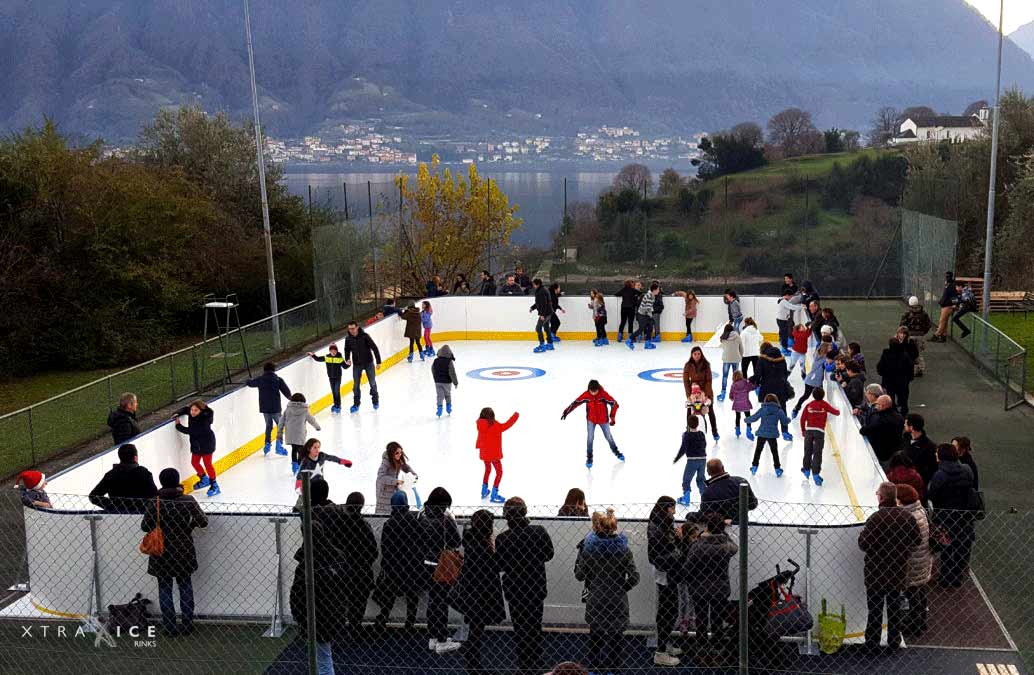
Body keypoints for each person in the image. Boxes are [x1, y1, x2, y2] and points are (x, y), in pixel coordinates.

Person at [142, 467, 209, 636]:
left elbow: (144, 526)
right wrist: (187, 527)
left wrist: (158, 526)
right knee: (185, 585)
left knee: (164, 588)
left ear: (161, 482)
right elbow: (203, 521)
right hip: (183, 549)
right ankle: (187, 624)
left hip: (161, 551)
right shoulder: (187, 500)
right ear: (178, 480)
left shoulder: (155, 502)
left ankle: (170, 627)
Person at [857, 481, 920, 654]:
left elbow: (863, 544)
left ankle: (872, 644)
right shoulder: (907, 518)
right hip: (897, 571)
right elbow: (917, 540)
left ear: (881, 497)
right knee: (894, 608)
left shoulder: (876, 519)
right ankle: (894, 641)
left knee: (875, 610)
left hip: (876, 572)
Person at [574, 509, 639, 673]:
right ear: (615, 528)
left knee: (595, 636)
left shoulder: (589, 549)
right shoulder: (624, 550)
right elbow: (634, 576)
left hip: (596, 597)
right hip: (617, 598)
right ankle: (614, 668)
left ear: (598, 527)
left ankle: (595, 668)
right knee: (616, 638)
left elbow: (580, 575)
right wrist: (622, 587)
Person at [496, 497, 555, 674]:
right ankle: (536, 662)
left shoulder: (502, 538)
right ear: (525, 511)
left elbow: (500, 565)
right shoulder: (539, 532)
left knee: (520, 627)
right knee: (535, 625)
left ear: (506, 515)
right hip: (535, 585)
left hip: (515, 589)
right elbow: (549, 554)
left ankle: (524, 665)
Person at [451, 509, 505, 674]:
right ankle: (473, 663)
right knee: (476, 629)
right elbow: (495, 565)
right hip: (482, 592)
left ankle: (472, 662)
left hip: (473, 590)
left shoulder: (472, 540)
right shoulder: (483, 545)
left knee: (475, 627)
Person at [290, 515, 343, 675]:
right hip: (331, 615)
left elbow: (297, 595)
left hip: (315, 618)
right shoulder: (335, 559)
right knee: (323, 656)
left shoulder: (306, 565)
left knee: (323, 659)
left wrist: (299, 616)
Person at [373, 490, 427, 632]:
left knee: (388, 598)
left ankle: (382, 620)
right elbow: (422, 542)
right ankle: (410, 624)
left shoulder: (389, 524)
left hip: (394, 568)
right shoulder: (415, 520)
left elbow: (385, 548)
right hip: (413, 567)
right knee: (412, 596)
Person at [324, 492, 378, 633]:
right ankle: (355, 627)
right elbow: (373, 551)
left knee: (341, 599)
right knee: (358, 602)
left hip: (340, 571)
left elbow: (331, 545)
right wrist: (364, 562)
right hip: (360, 572)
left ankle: (339, 627)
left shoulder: (336, 524)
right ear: (361, 507)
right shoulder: (364, 526)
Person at [928, 443, 977, 588]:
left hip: (946, 518)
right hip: (964, 517)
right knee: (962, 548)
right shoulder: (966, 470)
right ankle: (957, 577)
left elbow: (932, 495)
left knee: (947, 548)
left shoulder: (940, 475)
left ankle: (946, 578)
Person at [685, 511, 738, 645]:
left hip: (699, 588)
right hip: (720, 588)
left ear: (707, 527)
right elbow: (735, 547)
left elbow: (687, 568)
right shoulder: (726, 546)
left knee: (701, 619)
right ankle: (717, 645)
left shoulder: (697, 546)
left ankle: (702, 646)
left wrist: (702, 536)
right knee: (717, 619)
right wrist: (723, 533)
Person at [422, 487, 462, 654]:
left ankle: (433, 637)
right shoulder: (445, 519)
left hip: (425, 563)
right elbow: (456, 541)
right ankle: (442, 640)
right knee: (441, 601)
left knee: (433, 600)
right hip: (441, 564)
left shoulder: (420, 516)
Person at [647, 497, 684, 667]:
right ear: (667, 508)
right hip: (666, 571)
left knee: (668, 609)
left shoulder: (660, 522)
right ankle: (660, 652)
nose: (675, 511)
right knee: (668, 610)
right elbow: (669, 550)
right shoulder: (661, 526)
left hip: (665, 570)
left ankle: (664, 645)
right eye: (673, 508)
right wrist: (681, 540)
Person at [896, 484, 932, 638]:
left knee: (912, 593)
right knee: (921, 590)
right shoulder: (920, 510)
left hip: (912, 561)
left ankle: (914, 624)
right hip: (923, 558)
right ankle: (921, 621)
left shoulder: (908, 517)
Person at [561, 379, 622, 469]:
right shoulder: (586, 395)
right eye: (591, 391)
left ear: (598, 389)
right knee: (590, 438)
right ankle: (589, 457)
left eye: (595, 391)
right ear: (589, 389)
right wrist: (566, 412)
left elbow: (615, 404)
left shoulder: (603, 395)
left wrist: (612, 418)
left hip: (603, 420)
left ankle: (616, 452)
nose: (593, 393)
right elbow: (575, 403)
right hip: (591, 420)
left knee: (608, 437)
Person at [89, 443, 158, 513]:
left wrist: (112, 507)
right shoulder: (144, 473)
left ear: (120, 457)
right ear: (135, 458)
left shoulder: (111, 475)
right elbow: (155, 496)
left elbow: (93, 496)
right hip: (141, 514)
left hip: (118, 515)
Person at [173, 399, 220, 497]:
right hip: (196, 444)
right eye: (192, 410)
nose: (192, 412)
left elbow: (189, 431)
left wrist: (178, 426)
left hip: (207, 444)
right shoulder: (191, 412)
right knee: (194, 462)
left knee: (208, 464)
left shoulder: (204, 421)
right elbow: (185, 409)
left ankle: (214, 485)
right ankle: (204, 478)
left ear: (201, 411)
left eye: (195, 411)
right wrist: (177, 413)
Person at [246, 362, 292, 456]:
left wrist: (248, 380)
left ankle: (267, 444)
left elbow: (250, 383)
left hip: (265, 408)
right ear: (274, 370)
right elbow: (287, 392)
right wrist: (293, 400)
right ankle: (279, 445)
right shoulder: (278, 380)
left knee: (268, 426)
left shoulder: (260, 379)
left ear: (264, 370)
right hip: (275, 408)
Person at [476, 408, 519, 503]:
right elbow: (507, 425)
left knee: (487, 470)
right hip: (494, 455)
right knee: (499, 472)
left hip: (484, 454)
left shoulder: (480, 425)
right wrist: (515, 416)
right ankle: (494, 494)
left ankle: (484, 490)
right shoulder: (495, 425)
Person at [752, 342, 793, 441]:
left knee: (766, 410)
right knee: (782, 409)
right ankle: (785, 432)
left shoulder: (762, 360)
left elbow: (757, 376)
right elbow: (785, 375)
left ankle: (766, 430)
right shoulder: (782, 359)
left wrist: (751, 382)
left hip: (767, 389)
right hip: (780, 388)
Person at [799, 388, 839, 485]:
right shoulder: (824, 404)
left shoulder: (809, 405)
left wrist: (803, 430)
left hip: (809, 431)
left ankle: (806, 469)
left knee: (807, 451)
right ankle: (816, 474)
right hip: (819, 432)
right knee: (817, 453)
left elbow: (802, 419)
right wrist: (838, 409)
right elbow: (836, 412)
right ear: (823, 395)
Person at [700, 459, 757, 523]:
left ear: (708, 472)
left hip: (720, 527)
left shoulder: (707, 493)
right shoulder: (741, 481)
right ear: (723, 468)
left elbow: (705, 515)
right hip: (742, 525)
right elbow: (753, 504)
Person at [746, 394, 789, 477]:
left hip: (762, 433)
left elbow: (754, 418)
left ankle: (754, 467)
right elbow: (784, 421)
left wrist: (746, 420)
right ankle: (777, 469)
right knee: (774, 452)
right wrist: (789, 419)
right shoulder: (779, 410)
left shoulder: (763, 409)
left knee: (758, 451)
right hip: (772, 435)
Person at [344, 321, 382, 413]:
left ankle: (375, 401)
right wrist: (347, 358)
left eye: (353, 328)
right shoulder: (348, 339)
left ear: (357, 327)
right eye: (349, 329)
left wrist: (378, 362)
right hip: (357, 364)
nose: (351, 330)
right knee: (356, 385)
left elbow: (374, 348)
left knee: (372, 382)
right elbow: (347, 349)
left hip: (368, 363)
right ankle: (356, 404)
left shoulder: (365, 336)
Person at [683, 347, 719, 439]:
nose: (697, 356)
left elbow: (708, 381)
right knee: (689, 409)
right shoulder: (688, 365)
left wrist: (707, 396)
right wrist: (689, 395)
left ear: (701, 354)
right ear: (692, 355)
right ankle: (688, 428)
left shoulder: (706, 365)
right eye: (695, 354)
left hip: (706, 390)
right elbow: (686, 381)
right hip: (694, 391)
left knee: (710, 411)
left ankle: (714, 431)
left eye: (699, 354)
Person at [859, 395, 905, 465]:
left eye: (877, 404)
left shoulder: (881, 420)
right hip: (896, 450)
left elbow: (863, 430)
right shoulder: (899, 417)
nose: (875, 406)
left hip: (883, 454)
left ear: (883, 406)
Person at [375, 441, 418, 515]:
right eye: (397, 453)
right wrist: (396, 481)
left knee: (394, 506)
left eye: (400, 452)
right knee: (385, 509)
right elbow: (381, 476)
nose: (399, 455)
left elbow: (405, 467)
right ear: (392, 453)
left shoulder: (398, 459)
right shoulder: (386, 462)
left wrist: (413, 475)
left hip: (393, 487)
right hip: (384, 490)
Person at [283, 393, 321, 475]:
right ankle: (300, 466)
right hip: (300, 434)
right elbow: (312, 420)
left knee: (294, 449)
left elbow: (282, 421)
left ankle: (294, 466)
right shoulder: (305, 410)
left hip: (290, 434)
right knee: (301, 451)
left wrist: (280, 432)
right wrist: (317, 427)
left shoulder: (288, 409)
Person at [673, 416, 707, 506]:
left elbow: (683, 449)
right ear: (698, 424)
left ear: (688, 424)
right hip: (703, 459)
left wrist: (676, 458)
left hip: (692, 460)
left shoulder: (686, 435)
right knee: (701, 479)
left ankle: (686, 498)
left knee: (686, 480)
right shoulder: (701, 434)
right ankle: (705, 499)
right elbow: (704, 444)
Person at [877, 337, 915, 415]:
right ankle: (904, 411)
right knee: (903, 396)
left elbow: (880, 366)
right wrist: (909, 377)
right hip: (902, 380)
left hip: (889, 380)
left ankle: (893, 411)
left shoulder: (886, 354)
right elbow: (910, 366)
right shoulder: (904, 354)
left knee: (891, 396)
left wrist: (883, 373)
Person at [307, 343, 347, 413]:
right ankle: (335, 405)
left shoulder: (339, 358)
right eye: (332, 350)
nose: (333, 352)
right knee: (334, 392)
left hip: (338, 377)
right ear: (330, 351)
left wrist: (348, 364)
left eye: (335, 351)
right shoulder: (327, 357)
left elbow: (344, 367)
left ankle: (338, 405)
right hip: (331, 378)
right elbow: (318, 359)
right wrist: (313, 355)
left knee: (337, 391)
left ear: (337, 351)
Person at [793, 343, 828, 417]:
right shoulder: (822, 359)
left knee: (810, 397)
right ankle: (796, 408)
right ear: (825, 351)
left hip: (812, 380)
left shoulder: (819, 356)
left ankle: (797, 408)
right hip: (813, 381)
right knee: (808, 396)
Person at [900, 296, 933, 376]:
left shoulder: (907, 314)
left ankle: (909, 369)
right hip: (920, 336)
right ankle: (920, 370)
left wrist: (904, 334)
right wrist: (923, 332)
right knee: (918, 353)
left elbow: (902, 325)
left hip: (910, 336)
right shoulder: (924, 313)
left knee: (908, 353)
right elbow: (928, 324)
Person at [903, 413, 938, 488]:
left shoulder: (929, 446)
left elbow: (933, 468)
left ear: (911, 427)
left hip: (919, 484)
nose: (904, 425)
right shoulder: (905, 437)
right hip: (905, 480)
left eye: (905, 423)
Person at [627, 282, 660, 349]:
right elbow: (648, 307)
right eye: (658, 289)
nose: (659, 291)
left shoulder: (651, 295)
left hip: (645, 314)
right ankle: (629, 340)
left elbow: (649, 307)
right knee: (641, 329)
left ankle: (647, 343)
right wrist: (650, 316)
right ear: (654, 290)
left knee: (650, 326)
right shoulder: (649, 295)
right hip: (642, 314)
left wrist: (650, 315)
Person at [717, 323, 742, 402]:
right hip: (736, 359)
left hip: (726, 359)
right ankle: (736, 394)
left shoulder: (723, 337)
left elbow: (723, 347)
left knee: (725, 376)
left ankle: (723, 394)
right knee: (736, 377)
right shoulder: (737, 336)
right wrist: (740, 356)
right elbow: (741, 348)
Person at [530, 278, 556, 353]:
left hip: (545, 313)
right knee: (546, 327)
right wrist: (533, 307)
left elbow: (544, 303)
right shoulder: (542, 289)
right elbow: (539, 302)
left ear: (537, 284)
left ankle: (542, 345)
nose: (533, 286)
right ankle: (550, 344)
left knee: (538, 328)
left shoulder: (541, 291)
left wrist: (542, 315)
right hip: (549, 312)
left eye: (534, 284)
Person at [432, 345, 459, 417]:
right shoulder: (449, 362)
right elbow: (452, 373)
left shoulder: (435, 360)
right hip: (447, 382)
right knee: (447, 394)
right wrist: (455, 383)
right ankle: (448, 407)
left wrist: (435, 378)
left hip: (438, 382)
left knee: (439, 396)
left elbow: (433, 369)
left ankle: (439, 408)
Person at [931, 271, 958, 342]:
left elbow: (954, 295)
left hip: (948, 306)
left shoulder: (951, 285)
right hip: (945, 305)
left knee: (942, 321)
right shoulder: (948, 284)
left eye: (948, 276)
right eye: (946, 276)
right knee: (945, 322)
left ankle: (936, 335)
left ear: (951, 277)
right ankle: (943, 336)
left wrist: (955, 305)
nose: (946, 278)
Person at [728, 371, 754, 440]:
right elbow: (752, 387)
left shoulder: (733, 385)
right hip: (745, 403)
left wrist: (734, 398)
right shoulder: (746, 382)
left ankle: (737, 431)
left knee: (737, 417)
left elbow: (730, 396)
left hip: (737, 404)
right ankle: (748, 430)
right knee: (748, 417)